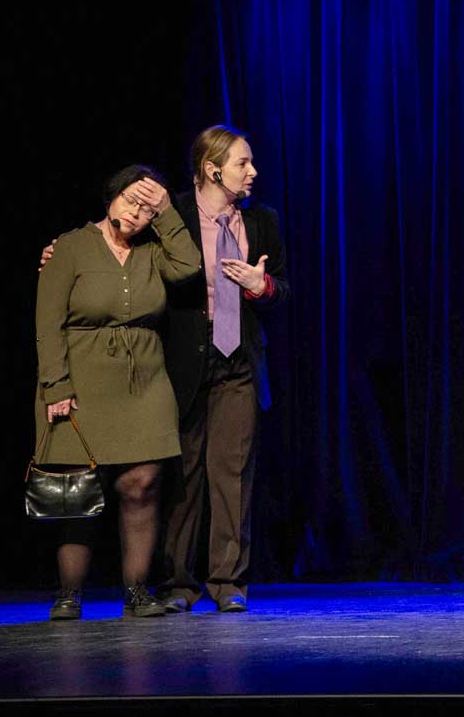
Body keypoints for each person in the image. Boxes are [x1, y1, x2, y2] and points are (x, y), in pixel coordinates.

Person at [35, 166, 201, 620]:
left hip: (144, 382)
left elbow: (189, 266)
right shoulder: (69, 248)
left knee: (141, 485)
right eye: (131, 200)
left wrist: (167, 213)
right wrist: (56, 384)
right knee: (77, 495)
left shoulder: (152, 252)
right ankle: (69, 594)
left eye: (147, 208)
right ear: (110, 196)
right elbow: (48, 322)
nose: (136, 212)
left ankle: (137, 593)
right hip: (81, 384)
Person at [157, 125, 289, 613]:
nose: (252, 171)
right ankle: (178, 583)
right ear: (212, 170)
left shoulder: (261, 220)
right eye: (242, 163)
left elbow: (282, 289)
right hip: (184, 362)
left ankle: (228, 581)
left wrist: (260, 285)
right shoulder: (173, 215)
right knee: (184, 475)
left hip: (238, 359)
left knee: (231, 474)